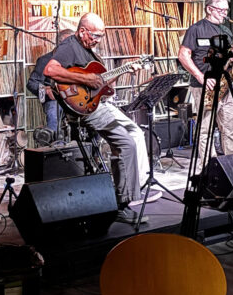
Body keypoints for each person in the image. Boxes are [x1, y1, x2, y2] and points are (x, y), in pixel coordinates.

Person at [43, 12, 157, 225]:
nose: (96, 40)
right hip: (85, 109)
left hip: (96, 104)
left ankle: (122, 196)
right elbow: (50, 70)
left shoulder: (90, 52)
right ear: (82, 30)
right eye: (94, 35)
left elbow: (102, 84)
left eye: (100, 37)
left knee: (130, 139)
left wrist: (124, 70)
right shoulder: (69, 46)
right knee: (126, 142)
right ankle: (122, 204)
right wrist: (85, 77)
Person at [177, 0, 233, 174]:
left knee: (231, 127)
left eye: (226, 10)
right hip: (205, 85)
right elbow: (183, 55)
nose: (225, 14)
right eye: (221, 10)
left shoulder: (226, 31)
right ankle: (207, 169)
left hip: (225, 85)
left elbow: (229, 57)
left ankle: (232, 168)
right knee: (205, 129)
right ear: (209, 9)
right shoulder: (196, 29)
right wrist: (201, 77)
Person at [26, 29, 74, 139]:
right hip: (55, 100)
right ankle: (55, 147)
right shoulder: (45, 60)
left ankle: (93, 152)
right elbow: (32, 83)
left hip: (75, 99)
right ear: (61, 44)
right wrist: (45, 90)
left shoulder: (75, 59)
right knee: (53, 113)